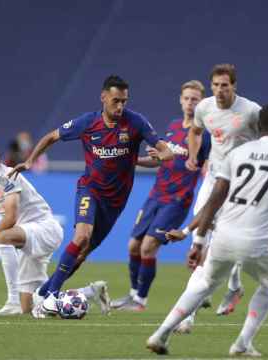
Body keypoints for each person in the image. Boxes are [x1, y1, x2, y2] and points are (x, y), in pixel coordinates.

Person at [147, 103, 268, 356]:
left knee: (204, 281)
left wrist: (197, 239)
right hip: (261, 236)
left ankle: (161, 334)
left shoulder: (236, 154)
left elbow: (214, 200)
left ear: (257, 127)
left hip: (224, 233)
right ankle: (244, 342)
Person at [9, 75, 173, 318]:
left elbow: (165, 152)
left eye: (124, 102)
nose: (120, 107)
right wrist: (31, 159)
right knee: (82, 236)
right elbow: (52, 136)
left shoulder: (136, 122)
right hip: (90, 189)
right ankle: (51, 295)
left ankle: (43, 294)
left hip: (116, 202)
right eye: (115, 101)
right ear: (103, 97)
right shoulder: (87, 122)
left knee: (83, 253)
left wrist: (163, 156)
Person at [0, 138, 108, 315]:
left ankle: (12, 299)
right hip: (28, 235)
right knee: (31, 306)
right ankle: (90, 292)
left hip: (44, 228)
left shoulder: (7, 177)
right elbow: (5, 215)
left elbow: (11, 217)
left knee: (3, 237)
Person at [111, 80, 211, 312]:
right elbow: (159, 160)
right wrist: (132, 160)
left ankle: (141, 302)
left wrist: (201, 167)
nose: (189, 103)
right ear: (180, 100)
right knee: (133, 246)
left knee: (148, 247)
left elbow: (210, 168)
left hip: (177, 200)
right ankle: (133, 294)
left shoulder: (203, 136)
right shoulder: (173, 126)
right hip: (156, 195)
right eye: (186, 98)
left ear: (202, 103)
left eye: (194, 99)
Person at [183, 64, 262, 319]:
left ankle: (192, 311)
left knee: (223, 240)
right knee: (200, 232)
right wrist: (195, 155)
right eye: (215, 84)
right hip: (215, 178)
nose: (219, 90)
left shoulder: (251, 111)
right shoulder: (205, 107)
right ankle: (233, 286)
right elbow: (194, 131)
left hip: (241, 184)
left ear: (234, 86)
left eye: (224, 85)